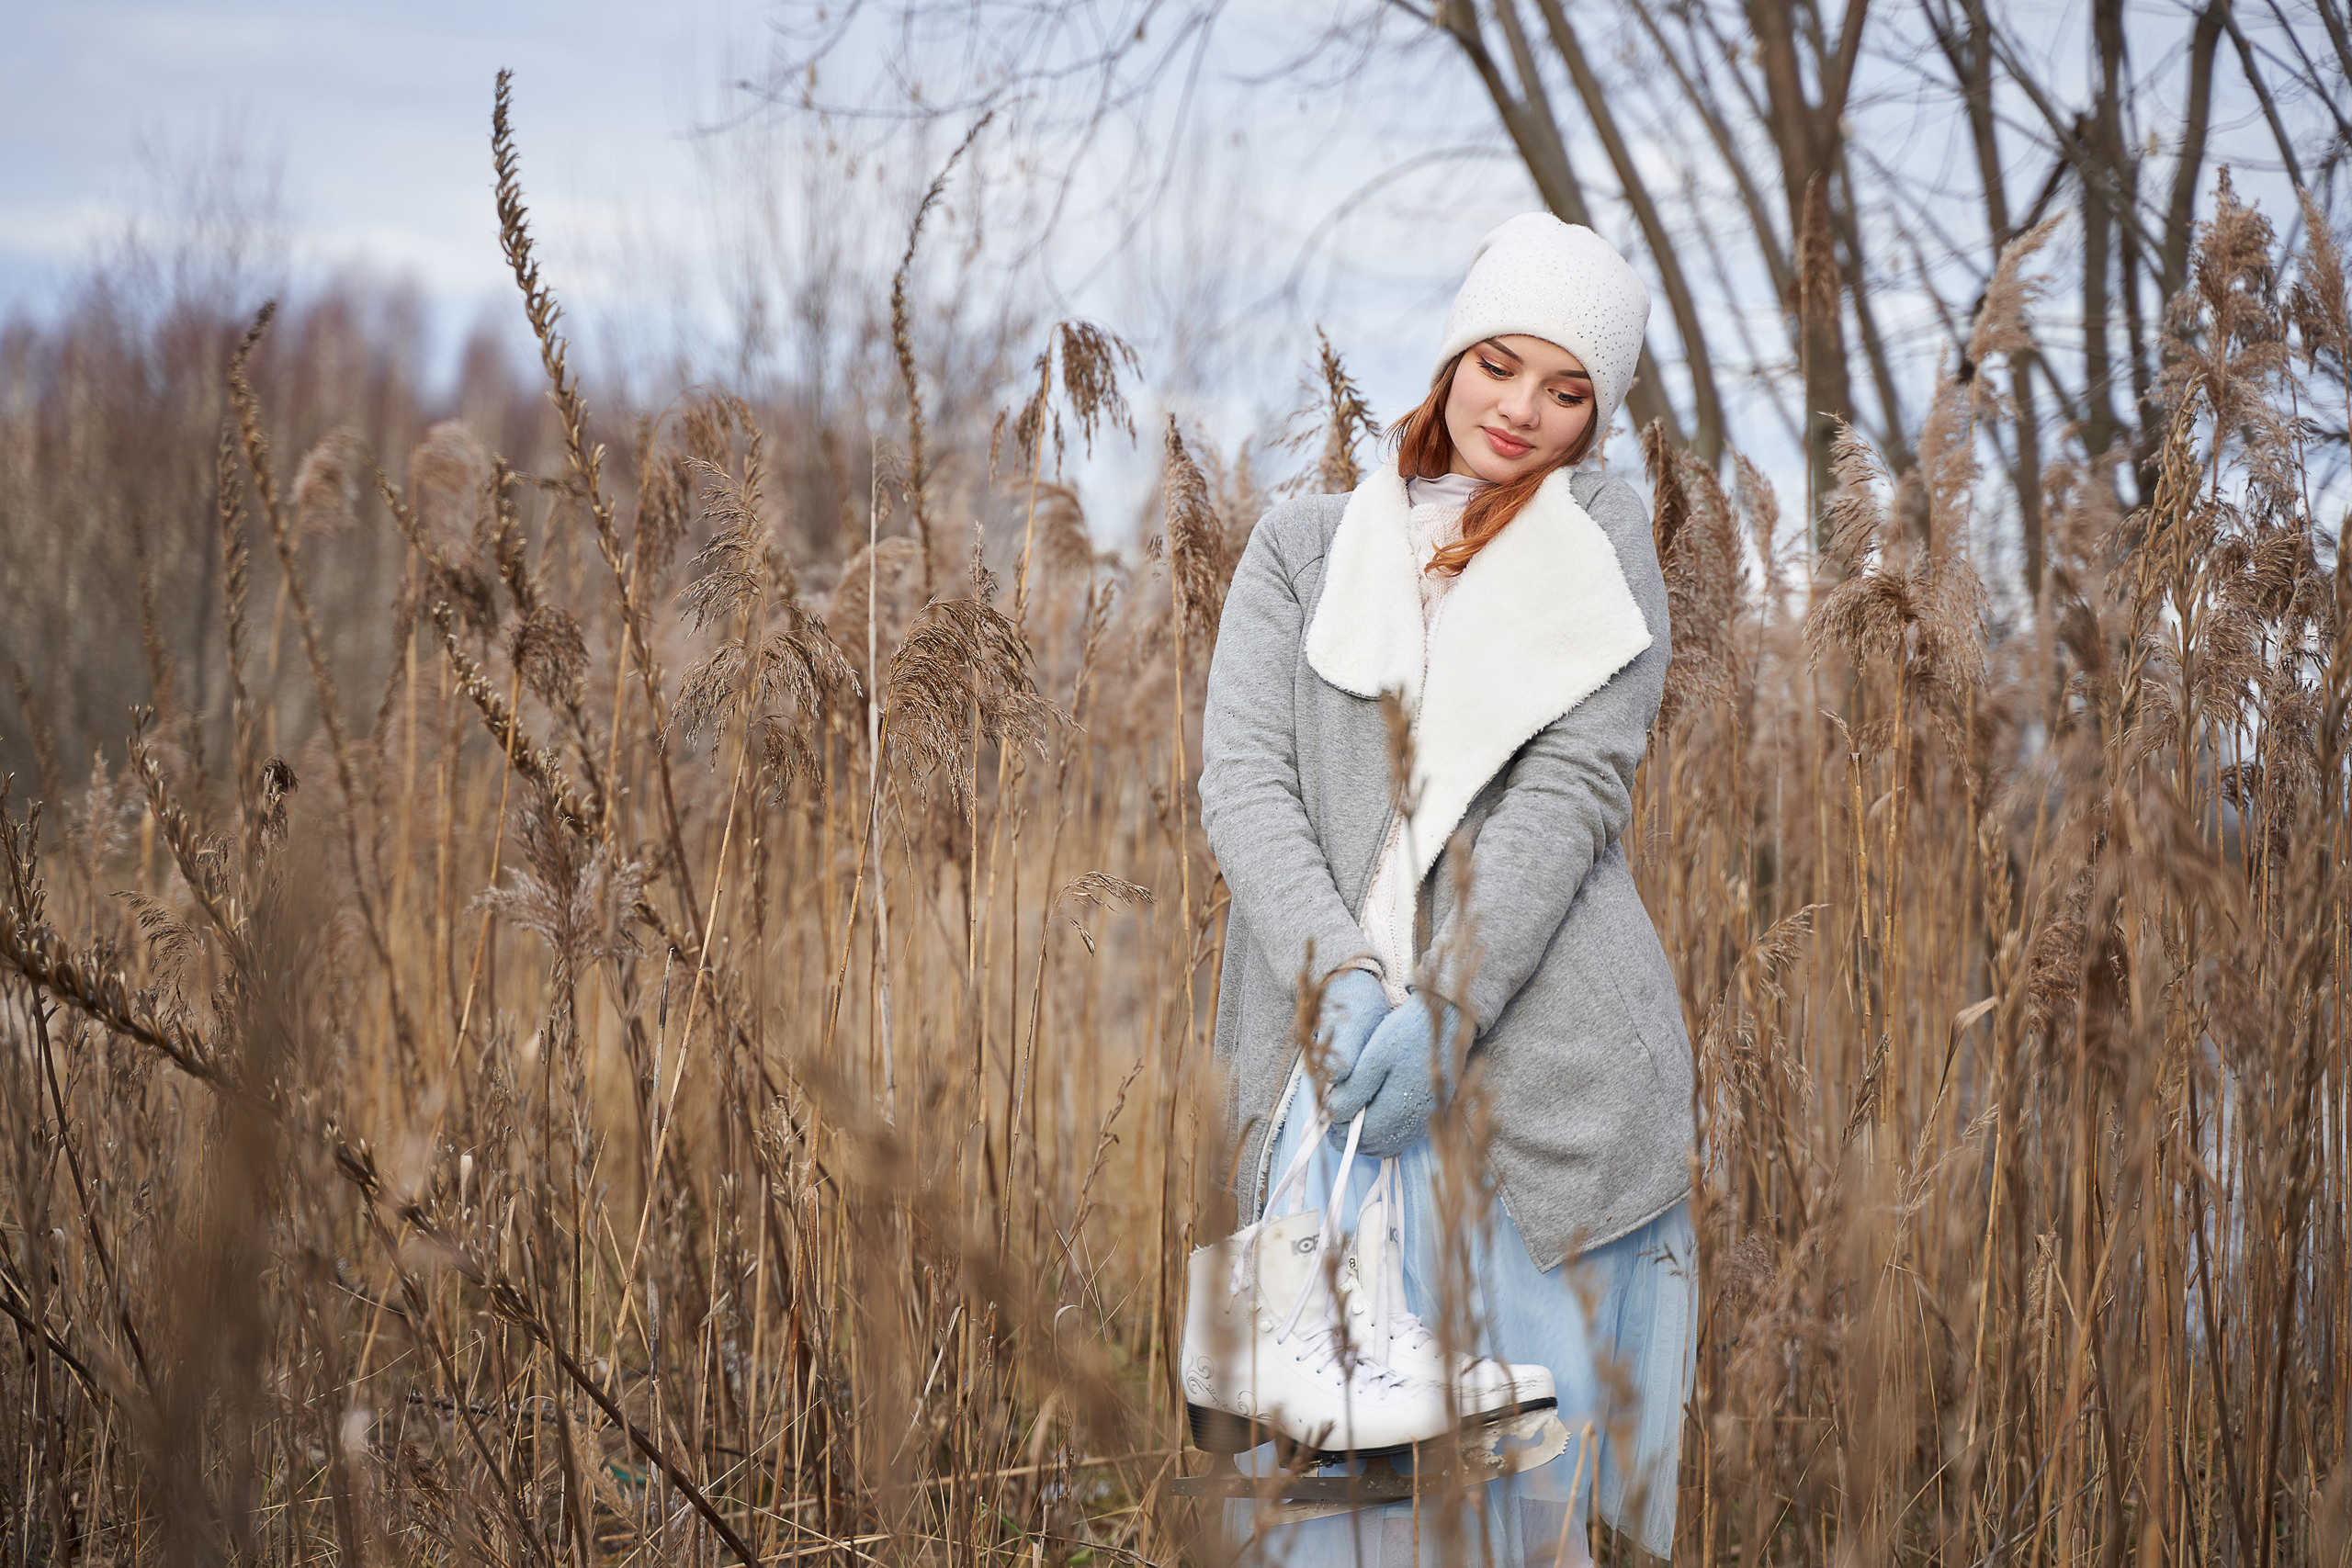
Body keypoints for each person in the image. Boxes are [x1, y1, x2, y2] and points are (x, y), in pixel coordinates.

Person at [1197, 212, 1695, 1565]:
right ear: (1452, 359)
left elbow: (1574, 790)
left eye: (1568, 390)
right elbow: (1244, 785)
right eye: (1500, 365)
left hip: (1540, 1077)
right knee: (1330, 1493)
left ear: (1598, 417)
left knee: (1521, 1505)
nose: (1522, 410)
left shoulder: (1602, 541)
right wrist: (1342, 981)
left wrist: (1450, 1009)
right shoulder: (1300, 548)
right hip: (1329, 1077)